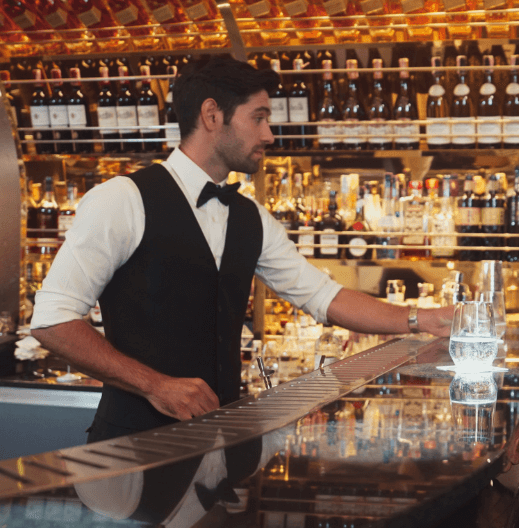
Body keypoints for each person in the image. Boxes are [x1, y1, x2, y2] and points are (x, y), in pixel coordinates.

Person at [30, 56, 452, 443]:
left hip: (219, 443)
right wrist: (155, 385)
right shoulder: (121, 199)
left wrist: (423, 319)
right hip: (133, 446)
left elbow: (325, 297)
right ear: (212, 115)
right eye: (260, 118)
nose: (270, 134)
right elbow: (52, 321)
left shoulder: (249, 216)